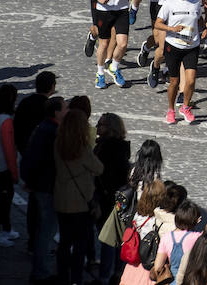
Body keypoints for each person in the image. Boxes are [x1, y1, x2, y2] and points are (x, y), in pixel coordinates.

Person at [53, 109, 103, 285]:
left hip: (61, 200)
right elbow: (99, 168)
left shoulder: (58, 145)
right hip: (81, 203)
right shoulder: (82, 149)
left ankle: (62, 277)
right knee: (80, 245)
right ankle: (76, 279)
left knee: (64, 243)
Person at [22, 96, 67, 284]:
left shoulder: (44, 128)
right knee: (46, 231)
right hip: (47, 187)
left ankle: (41, 270)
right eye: (64, 108)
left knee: (44, 229)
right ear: (56, 112)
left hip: (41, 185)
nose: (67, 111)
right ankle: (41, 273)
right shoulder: (52, 132)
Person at [155, 0, 206, 123]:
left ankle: (185, 107)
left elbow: (199, 20)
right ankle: (171, 109)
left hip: (192, 46)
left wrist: (203, 29)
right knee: (174, 82)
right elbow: (158, 24)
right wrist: (172, 28)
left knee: (190, 81)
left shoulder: (195, 4)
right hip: (174, 46)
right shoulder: (169, 4)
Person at [92, 113, 130, 284]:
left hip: (107, 199)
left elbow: (107, 176)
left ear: (111, 128)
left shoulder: (108, 149)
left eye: (101, 125)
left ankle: (106, 276)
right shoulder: (117, 147)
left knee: (108, 240)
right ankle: (116, 272)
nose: (97, 128)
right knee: (115, 239)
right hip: (115, 199)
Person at [0, 84, 19, 248]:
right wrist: (15, 173)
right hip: (5, 164)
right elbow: (9, 150)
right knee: (3, 199)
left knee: (4, 197)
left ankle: (6, 228)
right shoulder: (6, 121)